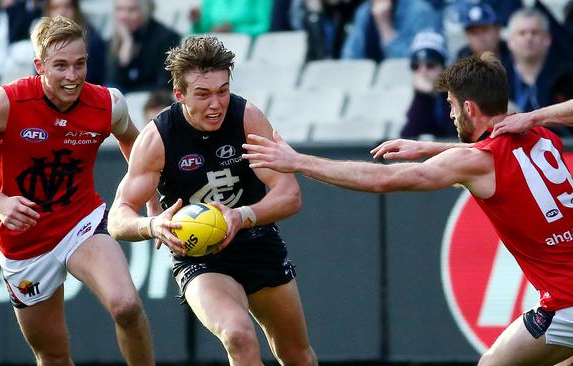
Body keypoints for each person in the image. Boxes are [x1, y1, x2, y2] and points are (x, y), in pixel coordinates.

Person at [243, 52, 573, 365]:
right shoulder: (541, 135)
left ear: (469, 107)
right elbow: (492, 152)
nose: (451, 115)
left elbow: (384, 180)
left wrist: (298, 161)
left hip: (565, 301)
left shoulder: (477, 160)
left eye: (452, 105)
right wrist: (430, 147)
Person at [0, 16, 154, 365]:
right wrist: (0, 202)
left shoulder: (107, 103)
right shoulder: (5, 102)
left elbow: (139, 144)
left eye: (80, 64)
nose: (72, 76)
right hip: (24, 240)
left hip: (81, 222)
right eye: (60, 66)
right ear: (39, 66)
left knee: (126, 306)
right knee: (52, 355)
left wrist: (147, 201)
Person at [108, 36, 317, 365]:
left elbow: (289, 194)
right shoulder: (157, 137)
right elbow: (117, 219)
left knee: (297, 356)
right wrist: (152, 224)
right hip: (199, 254)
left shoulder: (246, 117)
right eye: (203, 94)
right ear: (180, 95)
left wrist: (242, 215)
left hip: (256, 239)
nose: (216, 104)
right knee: (237, 334)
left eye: (223, 90)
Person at [107, 0, 181, 93]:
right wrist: (126, 46)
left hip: (152, 101)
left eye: (132, 10)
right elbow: (112, 83)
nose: (124, 16)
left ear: (144, 10)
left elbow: (165, 84)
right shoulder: (115, 40)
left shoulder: (167, 38)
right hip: (126, 99)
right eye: (119, 9)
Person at [340, 0, 441, 62]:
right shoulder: (363, 11)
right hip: (371, 85)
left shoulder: (421, 12)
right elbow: (349, 57)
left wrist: (385, 25)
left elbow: (420, 66)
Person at [400, 31, 455, 139]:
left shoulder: (458, 95)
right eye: (415, 66)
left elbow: (453, 136)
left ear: (444, 67)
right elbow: (409, 137)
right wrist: (422, 96)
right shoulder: (419, 96)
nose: (423, 71)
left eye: (430, 65)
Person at [455, 1, 512, 67]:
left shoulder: (515, 56)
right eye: (474, 32)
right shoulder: (459, 63)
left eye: (484, 30)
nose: (480, 38)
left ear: (497, 30)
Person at [189, 0, 274, 37]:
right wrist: (196, 22)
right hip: (213, 50)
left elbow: (263, 26)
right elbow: (204, 30)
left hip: (248, 48)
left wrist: (235, 29)